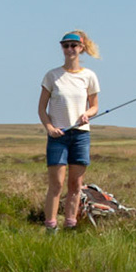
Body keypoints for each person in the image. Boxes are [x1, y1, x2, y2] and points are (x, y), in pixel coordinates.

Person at [37, 31, 100, 231]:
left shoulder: (89, 76)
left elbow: (95, 106)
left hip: (81, 135)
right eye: (66, 46)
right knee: (56, 184)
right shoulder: (52, 76)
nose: (70, 49)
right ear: (62, 48)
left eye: (74, 45)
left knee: (75, 185)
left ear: (81, 48)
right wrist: (50, 128)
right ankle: (50, 227)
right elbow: (41, 109)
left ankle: (70, 226)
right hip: (58, 136)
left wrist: (87, 115)